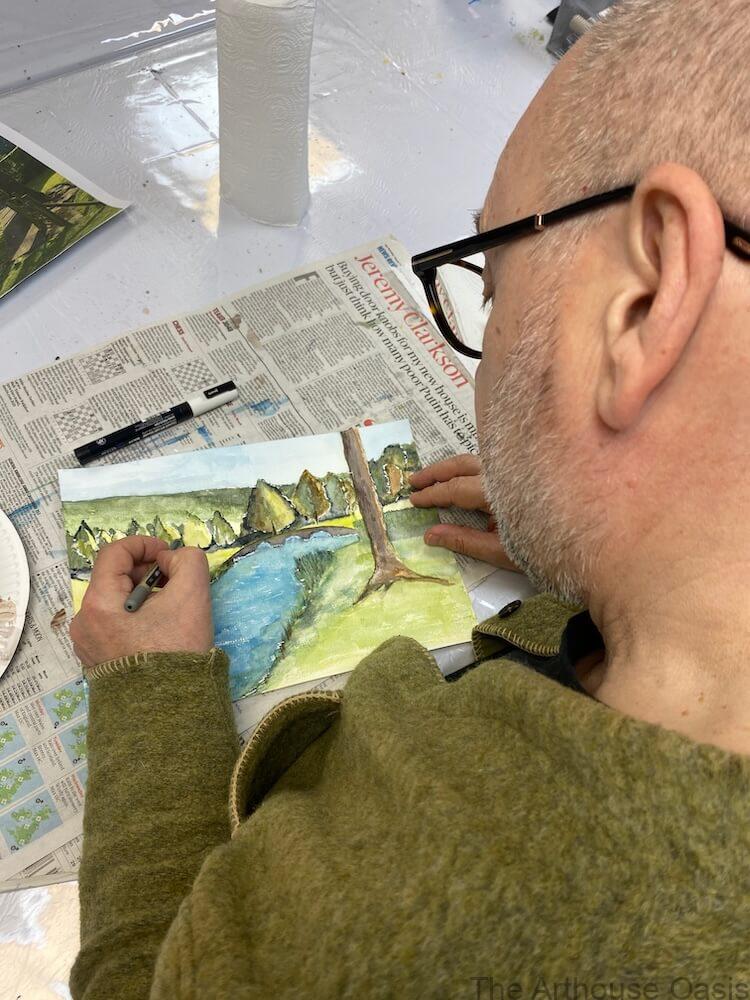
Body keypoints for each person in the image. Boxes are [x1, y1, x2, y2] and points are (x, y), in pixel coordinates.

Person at [70, 1, 750, 996]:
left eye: (495, 278)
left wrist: (151, 703)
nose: (489, 327)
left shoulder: (426, 912)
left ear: (645, 301)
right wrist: (614, 546)